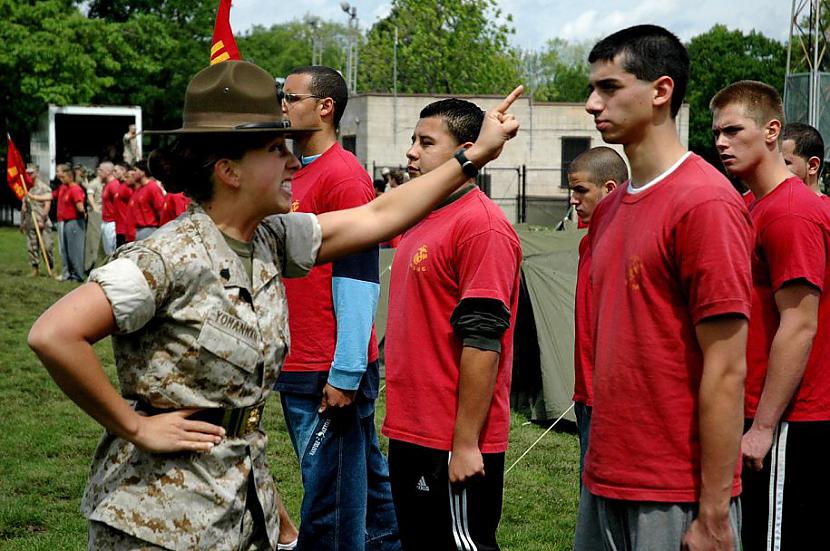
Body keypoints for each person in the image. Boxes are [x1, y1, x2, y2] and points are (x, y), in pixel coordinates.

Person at [27, 60, 522, 551]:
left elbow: (379, 214)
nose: (291, 161)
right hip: (160, 513)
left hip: (238, 501)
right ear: (228, 171)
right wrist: (134, 426)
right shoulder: (168, 256)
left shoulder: (270, 239)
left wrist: (473, 156)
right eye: (273, 149)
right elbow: (54, 334)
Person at [573, 25, 752, 551]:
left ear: (660, 90)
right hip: (604, 474)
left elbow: (726, 368)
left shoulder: (705, 204)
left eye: (608, 88)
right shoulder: (607, 210)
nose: (591, 104)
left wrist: (715, 513)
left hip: (675, 492)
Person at [382, 98, 522, 551]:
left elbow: (483, 341)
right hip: (411, 428)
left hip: (451, 439)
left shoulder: (482, 227)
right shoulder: (420, 215)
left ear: (467, 149)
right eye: (412, 141)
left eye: (426, 143)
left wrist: (465, 443)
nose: (411, 153)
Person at [275, 64, 398, 550]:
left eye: (292, 97)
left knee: (330, 507)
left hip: (326, 368)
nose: (282, 106)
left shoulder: (344, 177)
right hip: (299, 359)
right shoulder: (294, 171)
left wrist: (345, 372)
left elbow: (358, 277)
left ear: (325, 107)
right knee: (368, 487)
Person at [711, 81, 830, 550]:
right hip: (752, 409)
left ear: (771, 131)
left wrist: (763, 428)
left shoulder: (791, 212)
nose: (721, 142)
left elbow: (800, 323)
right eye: (716, 132)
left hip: (787, 420)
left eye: (733, 130)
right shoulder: (748, 206)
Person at [567, 146, 627, 479]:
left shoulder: (629, 241)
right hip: (586, 393)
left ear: (609, 189)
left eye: (581, 190)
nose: (573, 200)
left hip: (615, 400)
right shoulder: (586, 242)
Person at [54, 163, 87, 282]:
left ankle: (78, 274)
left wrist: (84, 211)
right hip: (66, 221)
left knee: (75, 249)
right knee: (66, 249)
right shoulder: (64, 188)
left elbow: (80, 207)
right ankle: (69, 273)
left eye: (63, 177)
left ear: (69, 176)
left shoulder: (75, 189)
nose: (61, 179)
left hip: (75, 222)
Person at [21, 164, 54, 277]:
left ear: (37, 173)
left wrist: (42, 219)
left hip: (42, 221)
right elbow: (24, 207)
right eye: (28, 173)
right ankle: (35, 268)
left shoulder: (44, 187)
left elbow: (47, 205)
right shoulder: (26, 188)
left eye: (31, 173)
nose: (29, 175)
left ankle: (51, 268)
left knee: (47, 246)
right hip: (30, 221)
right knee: (32, 246)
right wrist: (22, 221)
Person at [782, 121, 825, 197]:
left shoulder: (825, 208)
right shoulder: (760, 202)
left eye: (785, 163)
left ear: (812, 166)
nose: (775, 169)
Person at [131, 160, 166, 240]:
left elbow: (161, 210)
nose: (133, 173)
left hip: (149, 230)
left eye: (135, 170)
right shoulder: (139, 189)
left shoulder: (152, 188)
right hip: (138, 230)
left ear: (143, 172)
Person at [84, 164, 104, 272]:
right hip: (96, 214)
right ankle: (90, 264)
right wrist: (95, 208)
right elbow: (90, 196)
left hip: (104, 214)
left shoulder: (104, 183)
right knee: (93, 239)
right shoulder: (94, 183)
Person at [99, 162, 119, 256]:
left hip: (112, 222)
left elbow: (118, 204)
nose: (99, 173)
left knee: (112, 251)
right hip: (105, 221)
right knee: (107, 252)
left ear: (107, 172)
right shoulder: (106, 185)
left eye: (101, 170)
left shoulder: (114, 185)